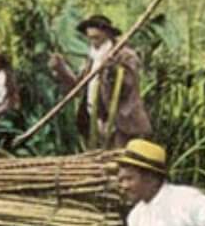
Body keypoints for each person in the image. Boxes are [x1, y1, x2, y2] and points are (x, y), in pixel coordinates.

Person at [48, 15, 152, 148]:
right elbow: (78, 88)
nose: (93, 42)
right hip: (95, 120)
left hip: (122, 121)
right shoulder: (92, 58)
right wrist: (61, 68)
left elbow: (128, 85)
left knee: (120, 161)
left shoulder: (125, 55)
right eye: (90, 38)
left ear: (107, 34)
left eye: (96, 38)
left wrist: (111, 68)